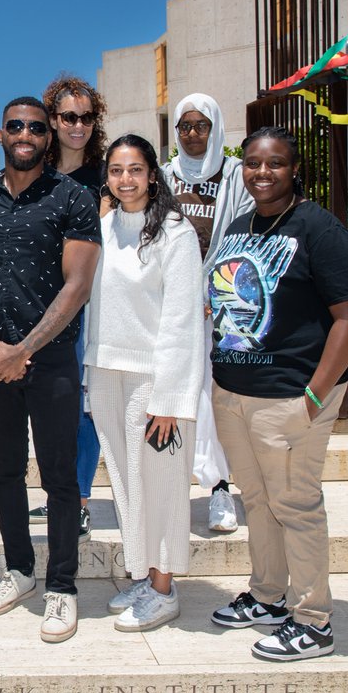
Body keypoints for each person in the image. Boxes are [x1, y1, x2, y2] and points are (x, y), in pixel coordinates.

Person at [207, 126, 348, 661]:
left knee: (295, 505)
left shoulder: (319, 230)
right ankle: (268, 595)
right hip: (234, 392)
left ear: (294, 168)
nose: (262, 173)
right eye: (253, 164)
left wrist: (317, 398)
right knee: (257, 501)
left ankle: (312, 618)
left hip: (289, 397)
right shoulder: (239, 226)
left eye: (274, 164)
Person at [0, 96, 101, 644]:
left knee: (60, 478)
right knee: (7, 470)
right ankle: (19, 570)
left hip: (54, 359)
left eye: (36, 128)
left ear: (48, 136)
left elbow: (77, 286)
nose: (25, 134)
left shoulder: (73, 199)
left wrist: (25, 350)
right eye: (16, 126)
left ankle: (62, 585)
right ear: (0, 134)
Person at [85, 134, 204, 632]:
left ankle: (164, 588)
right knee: (128, 483)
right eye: (116, 170)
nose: (126, 179)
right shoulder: (104, 228)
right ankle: (145, 572)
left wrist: (170, 399)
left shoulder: (176, 234)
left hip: (155, 380)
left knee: (161, 485)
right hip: (108, 372)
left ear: (153, 174)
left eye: (135, 170)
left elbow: (182, 322)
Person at [161, 93, 254, 534]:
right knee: (177, 394)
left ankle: (219, 489)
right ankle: (176, 485)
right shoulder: (163, 176)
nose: (193, 134)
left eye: (201, 126)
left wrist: (213, 291)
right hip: (174, 307)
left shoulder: (236, 174)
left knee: (216, 398)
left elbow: (244, 238)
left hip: (223, 305)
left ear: (215, 127)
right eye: (185, 126)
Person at [28, 74, 110, 541]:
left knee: (84, 406)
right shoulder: (37, 176)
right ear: (53, 120)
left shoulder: (108, 176)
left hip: (94, 305)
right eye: (67, 117)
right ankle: (59, 492)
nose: (77, 126)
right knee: (53, 406)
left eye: (86, 117)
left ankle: (79, 499)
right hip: (46, 304)